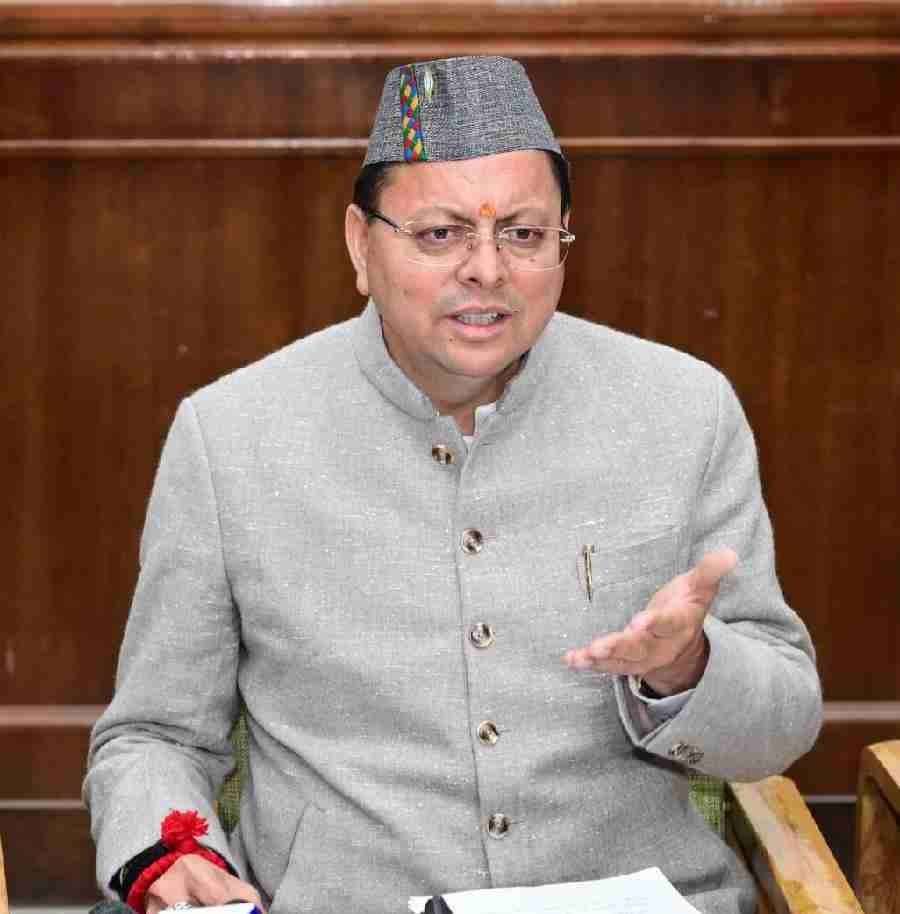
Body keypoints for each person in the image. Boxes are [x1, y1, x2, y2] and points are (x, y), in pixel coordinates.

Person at [84, 56, 823, 914]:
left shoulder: (681, 410)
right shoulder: (232, 438)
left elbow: (783, 723)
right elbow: (154, 734)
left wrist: (688, 667)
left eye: (525, 235)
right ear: (361, 244)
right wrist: (169, 855)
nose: (487, 270)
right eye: (440, 235)